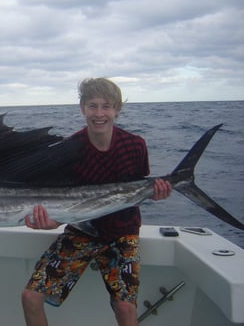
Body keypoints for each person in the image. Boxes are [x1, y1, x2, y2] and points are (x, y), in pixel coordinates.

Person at [21, 77, 172, 326]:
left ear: (117, 110)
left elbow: (137, 188)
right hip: (81, 231)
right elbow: (62, 201)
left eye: (106, 106)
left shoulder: (136, 145)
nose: (99, 113)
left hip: (122, 234)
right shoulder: (70, 149)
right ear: (82, 109)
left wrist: (157, 193)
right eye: (92, 106)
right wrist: (51, 222)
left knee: (125, 308)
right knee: (30, 297)